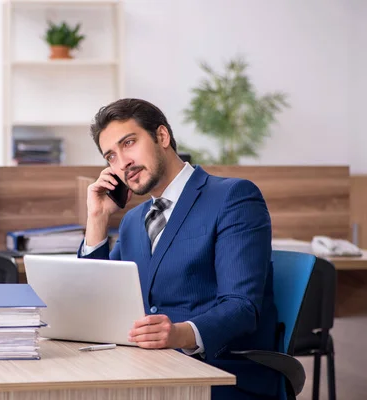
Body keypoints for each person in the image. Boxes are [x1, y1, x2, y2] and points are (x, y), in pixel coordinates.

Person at [79, 98, 280, 400]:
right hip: (147, 369)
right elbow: (96, 304)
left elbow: (242, 307)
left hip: (219, 374)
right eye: (111, 156)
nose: (122, 163)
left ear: (162, 136)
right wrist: (96, 218)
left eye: (129, 143)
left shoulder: (232, 197)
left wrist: (179, 334)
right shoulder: (134, 221)